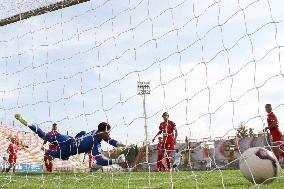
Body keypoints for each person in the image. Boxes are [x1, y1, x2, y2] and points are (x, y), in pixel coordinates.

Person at [15, 114, 126, 168]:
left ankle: (29, 123)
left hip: (68, 139)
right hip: (67, 147)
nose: (109, 134)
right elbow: (101, 161)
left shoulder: (95, 132)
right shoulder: (94, 142)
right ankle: (45, 150)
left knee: (43, 135)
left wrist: (117, 143)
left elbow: (108, 139)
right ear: (102, 132)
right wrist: (116, 160)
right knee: (62, 155)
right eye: (108, 132)